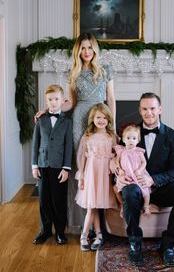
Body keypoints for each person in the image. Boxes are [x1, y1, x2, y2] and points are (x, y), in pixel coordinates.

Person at [35, 32, 116, 231]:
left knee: (98, 165)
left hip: (100, 118)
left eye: (90, 47)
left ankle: (101, 222)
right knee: (81, 166)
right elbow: (70, 102)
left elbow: (111, 98)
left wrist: (112, 126)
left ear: (95, 49)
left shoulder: (106, 70)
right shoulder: (73, 72)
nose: (87, 51)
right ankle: (78, 221)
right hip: (79, 121)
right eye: (83, 48)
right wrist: (49, 110)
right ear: (77, 50)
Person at [113, 93, 174, 267]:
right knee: (129, 191)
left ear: (160, 109)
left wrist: (153, 180)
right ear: (140, 111)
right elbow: (118, 154)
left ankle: (168, 245)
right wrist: (115, 167)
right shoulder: (130, 133)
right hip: (136, 185)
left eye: (152, 108)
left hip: (162, 186)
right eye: (145, 109)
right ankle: (135, 243)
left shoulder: (172, 135)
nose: (149, 113)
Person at [31, 84, 73, 245]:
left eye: (56, 99)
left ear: (62, 100)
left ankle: (60, 232)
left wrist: (66, 168)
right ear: (46, 101)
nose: (53, 102)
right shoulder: (41, 119)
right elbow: (36, 143)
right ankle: (45, 230)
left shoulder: (67, 121)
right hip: (42, 165)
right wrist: (34, 165)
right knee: (44, 200)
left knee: (59, 200)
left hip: (59, 167)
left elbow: (69, 146)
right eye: (50, 99)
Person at [75, 103, 117, 251]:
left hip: (105, 176)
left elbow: (116, 156)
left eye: (105, 117)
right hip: (91, 176)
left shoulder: (112, 137)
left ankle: (99, 234)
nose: (101, 120)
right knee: (92, 207)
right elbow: (82, 159)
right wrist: (81, 177)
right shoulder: (87, 137)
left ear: (109, 119)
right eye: (98, 117)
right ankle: (84, 235)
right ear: (93, 118)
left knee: (96, 206)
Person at [113, 125, 151, 217]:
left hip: (137, 174)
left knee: (145, 189)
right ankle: (122, 205)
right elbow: (116, 161)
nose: (131, 141)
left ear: (138, 140)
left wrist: (139, 170)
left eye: (134, 138)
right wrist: (120, 170)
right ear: (123, 139)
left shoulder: (139, 151)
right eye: (128, 138)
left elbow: (144, 162)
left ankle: (146, 206)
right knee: (115, 188)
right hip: (125, 176)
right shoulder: (121, 151)